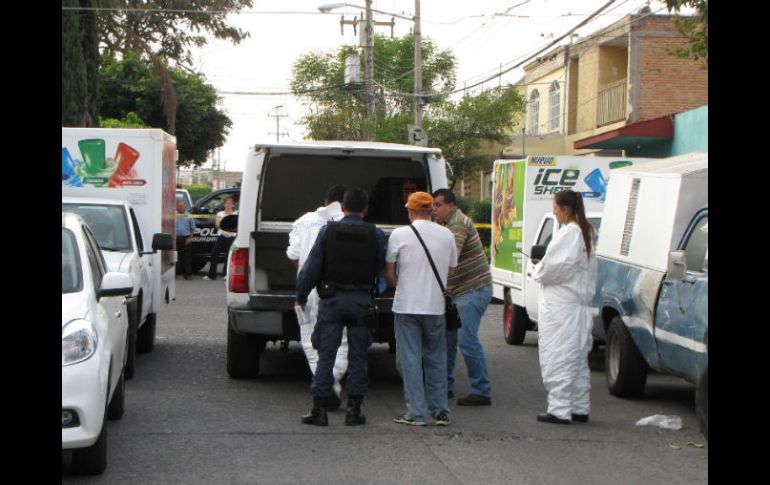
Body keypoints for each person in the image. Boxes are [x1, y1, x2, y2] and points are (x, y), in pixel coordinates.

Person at [296, 188, 385, 426]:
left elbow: (311, 267)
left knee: (326, 355)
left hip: (332, 301)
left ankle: (319, 410)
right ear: (366, 209)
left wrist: (301, 295)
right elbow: (380, 266)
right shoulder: (375, 234)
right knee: (358, 357)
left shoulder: (328, 231)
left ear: (342, 208)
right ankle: (354, 411)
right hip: (361, 302)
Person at [385, 192, 457, 426]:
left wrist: (402, 285)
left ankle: (416, 412)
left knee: (409, 360)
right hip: (436, 307)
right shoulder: (447, 234)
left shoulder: (399, 234)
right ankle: (440, 411)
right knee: (436, 359)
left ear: (410, 211)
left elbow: (390, 272)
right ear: (431, 210)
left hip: (407, 306)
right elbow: (451, 270)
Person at [531, 189, 597, 425]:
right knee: (576, 358)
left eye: (555, 208)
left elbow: (555, 268)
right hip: (577, 306)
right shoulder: (586, 231)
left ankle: (559, 409)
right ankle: (579, 407)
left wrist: (537, 270)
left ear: (565, 209)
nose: (554, 212)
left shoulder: (569, 233)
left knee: (558, 355)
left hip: (561, 307)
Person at [286, 184, 348, 410]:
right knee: (342, 339)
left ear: (325, 201)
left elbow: (294, 256)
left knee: (310, 337)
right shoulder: (350, 223)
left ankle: (325, 382)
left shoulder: (304, 221)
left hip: (310, 288)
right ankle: (331, 380)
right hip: (340, 289)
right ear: (345, 203)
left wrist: (305, 274)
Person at [432, 189, 493, 406]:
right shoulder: (445, 224)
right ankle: (445, 386)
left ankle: (481, 390)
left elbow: (452, 257)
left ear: (451, 205)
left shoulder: (457, 224)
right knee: (447, 340)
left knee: (466, 340)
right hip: (458, 292)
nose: (434, 209)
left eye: (438, 205)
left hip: (471, 289)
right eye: (432, 205)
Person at [203, 195, 237, 281]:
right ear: (224, 204)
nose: (228, 205)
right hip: (221, 236)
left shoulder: (236, 214)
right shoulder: (220, 214)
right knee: (214, 253)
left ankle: (226, 274)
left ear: (233, 205)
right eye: (227, 203)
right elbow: (217, 225)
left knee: (228, 255)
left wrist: (226, 225)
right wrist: (228, 225)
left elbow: (236, 227)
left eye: (230, 203)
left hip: (231, 237)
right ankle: (211, 275)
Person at [175, 200, 196, 280]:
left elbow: (193, 228)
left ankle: (187, 274)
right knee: (175, 257)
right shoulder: (174, 215)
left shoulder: (189, 215)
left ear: (184, 207)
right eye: (179, 206)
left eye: (182, 206)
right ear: (177, 207)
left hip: (186, 238)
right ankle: (175, 273)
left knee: (186, 258)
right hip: (176, 238)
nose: (180, 207)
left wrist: (190, 238)